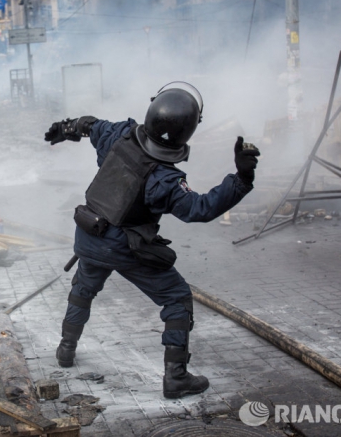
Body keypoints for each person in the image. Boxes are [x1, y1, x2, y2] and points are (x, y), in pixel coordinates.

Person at [43, 81, 260, 399]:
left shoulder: (120, 134)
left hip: (89, 232)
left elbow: (90, 124)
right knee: (177, 299)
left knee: (83, 290)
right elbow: (201, 208)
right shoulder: (166, 179)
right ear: (186, 132)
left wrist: (66, 129)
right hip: (125, 247)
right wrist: (242, 179)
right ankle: (176, 378)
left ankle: (65, 350)